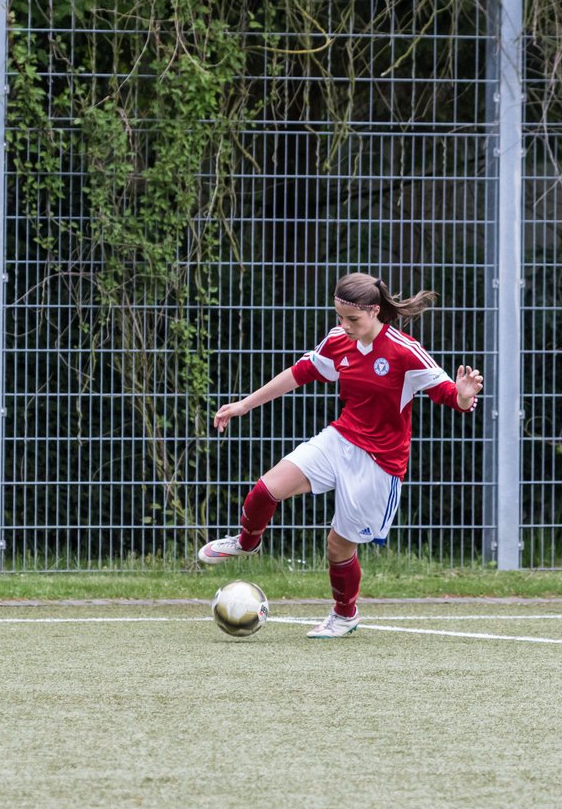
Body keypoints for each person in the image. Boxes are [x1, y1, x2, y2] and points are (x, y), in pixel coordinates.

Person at [199, 272, 485, 638]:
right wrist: (243, 405)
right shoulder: (338, 341)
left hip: (379, 463)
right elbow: (298, 373)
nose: (344, 326)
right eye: (339, 317)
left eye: (353, 319)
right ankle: (245, 542)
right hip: (340, 439)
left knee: (337, 546)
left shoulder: (403, 350)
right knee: (266, 490)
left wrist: (462, 394)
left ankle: (345, 614)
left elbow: (450, 396)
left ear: (375, 311)